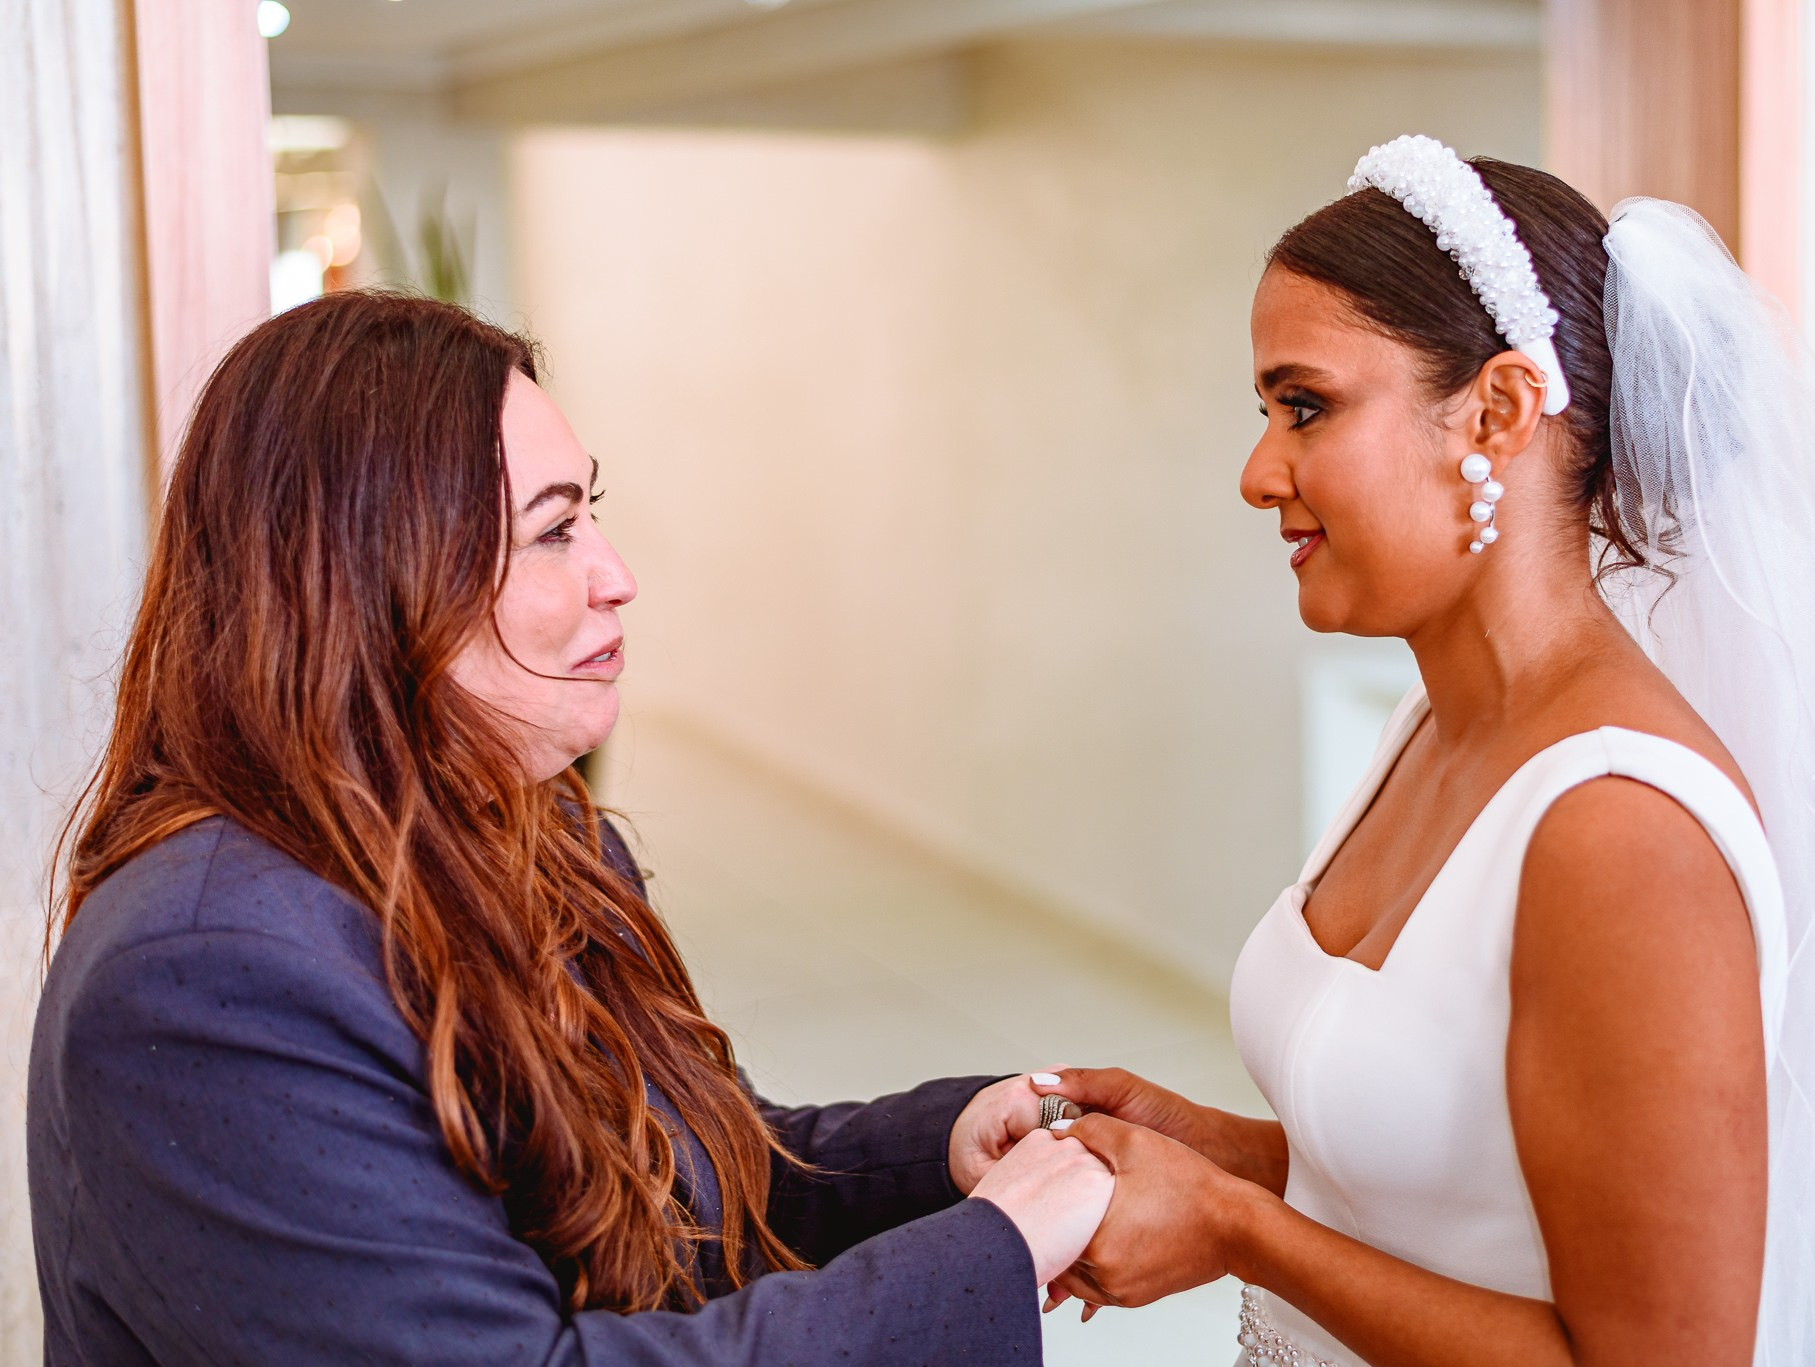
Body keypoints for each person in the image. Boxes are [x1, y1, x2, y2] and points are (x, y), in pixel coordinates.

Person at [1031, 137, 1815, 1366]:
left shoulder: (1618, 827)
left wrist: (1238, 1230)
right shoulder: (1425, 727)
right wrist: (1209, 1147)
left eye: (1304, 405)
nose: (1256, 470)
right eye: (1266, 411)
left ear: (1494, 410)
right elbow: (1465, 1194)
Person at [29, 291, 1110, 1366]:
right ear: (371, 577)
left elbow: (682, 1187)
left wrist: (952, 1144)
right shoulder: (208, 974)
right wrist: (993, 1251)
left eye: (589, 513)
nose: (617, 576)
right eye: (553, 530)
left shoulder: (530, 825)